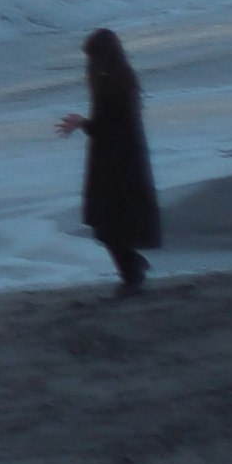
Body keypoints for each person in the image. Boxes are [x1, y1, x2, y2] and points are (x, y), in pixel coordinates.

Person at [56, 26, 161, 294]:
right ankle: (133, 270)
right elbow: (113, 124)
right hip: (124, 158)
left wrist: (82, 123)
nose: (88, 64)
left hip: (114, 162)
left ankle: (133, 273)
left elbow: (107, 126)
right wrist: (84, 123)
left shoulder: (110, 82)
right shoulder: (121, 78)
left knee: (107, 224)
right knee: (113, 224)